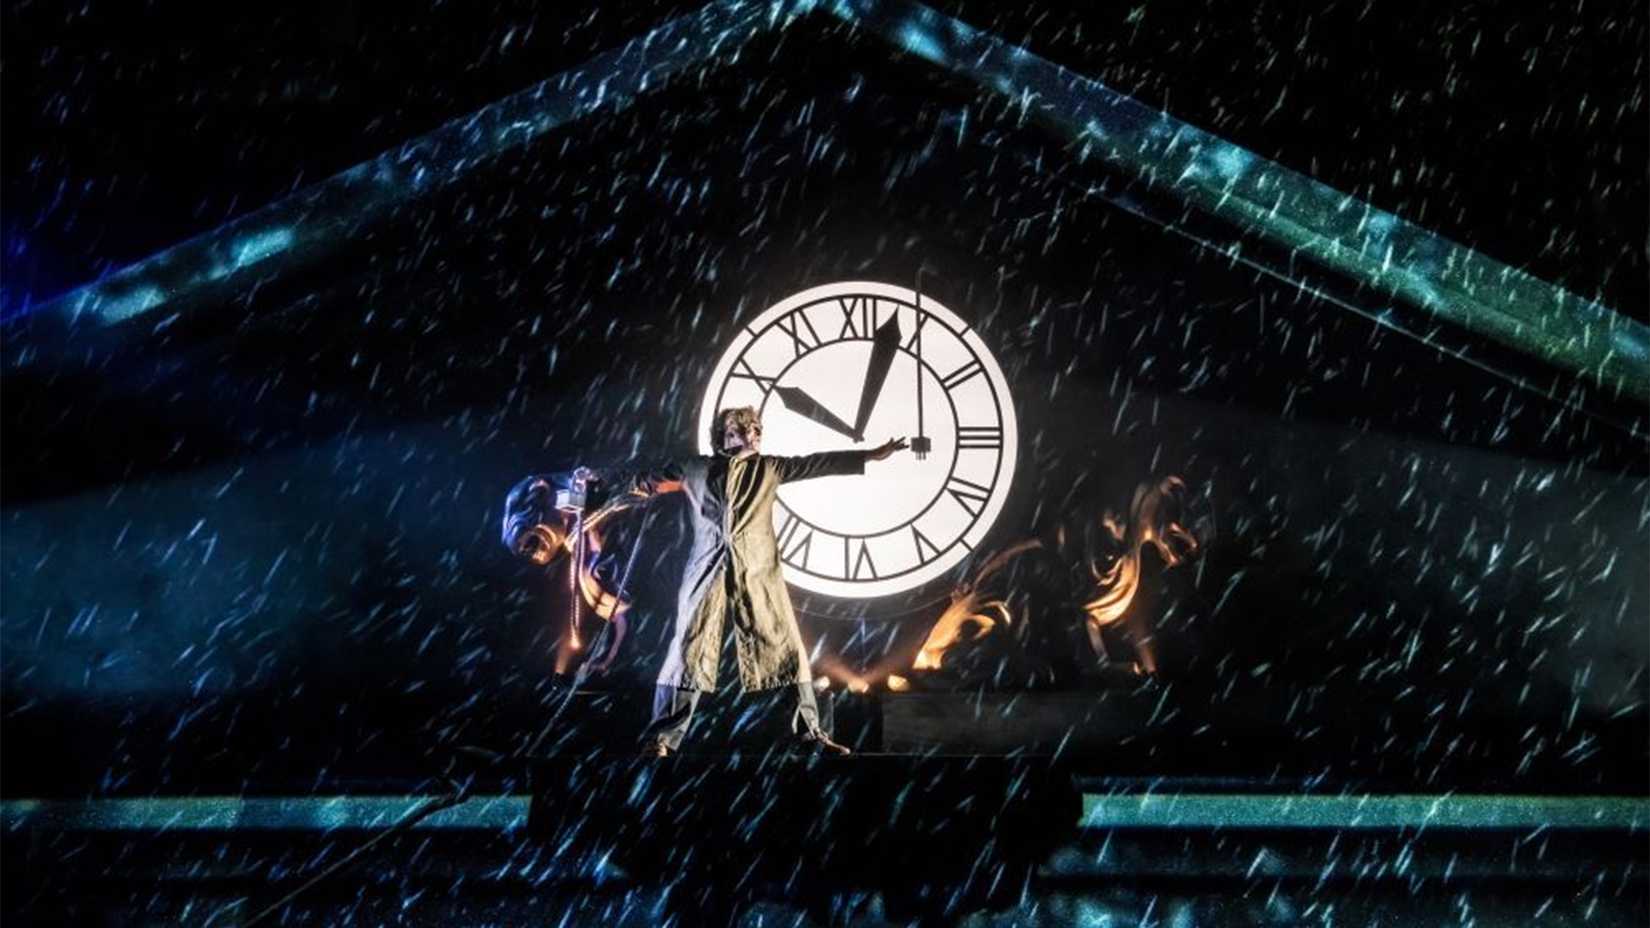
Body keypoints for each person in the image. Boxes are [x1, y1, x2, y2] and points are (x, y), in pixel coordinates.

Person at [592, 406, 907, 757]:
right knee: (687, 650)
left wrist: (869, 455)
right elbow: (644, 477)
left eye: (755, 429)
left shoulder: (769, 468)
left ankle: (811, 736)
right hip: (705, 569)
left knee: (785, 646)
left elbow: (818, 463)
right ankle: (661, 739)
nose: (751, 435)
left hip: (757, 571)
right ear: (724, 436)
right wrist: (598, 478)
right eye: (741, 430)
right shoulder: (697, 467)